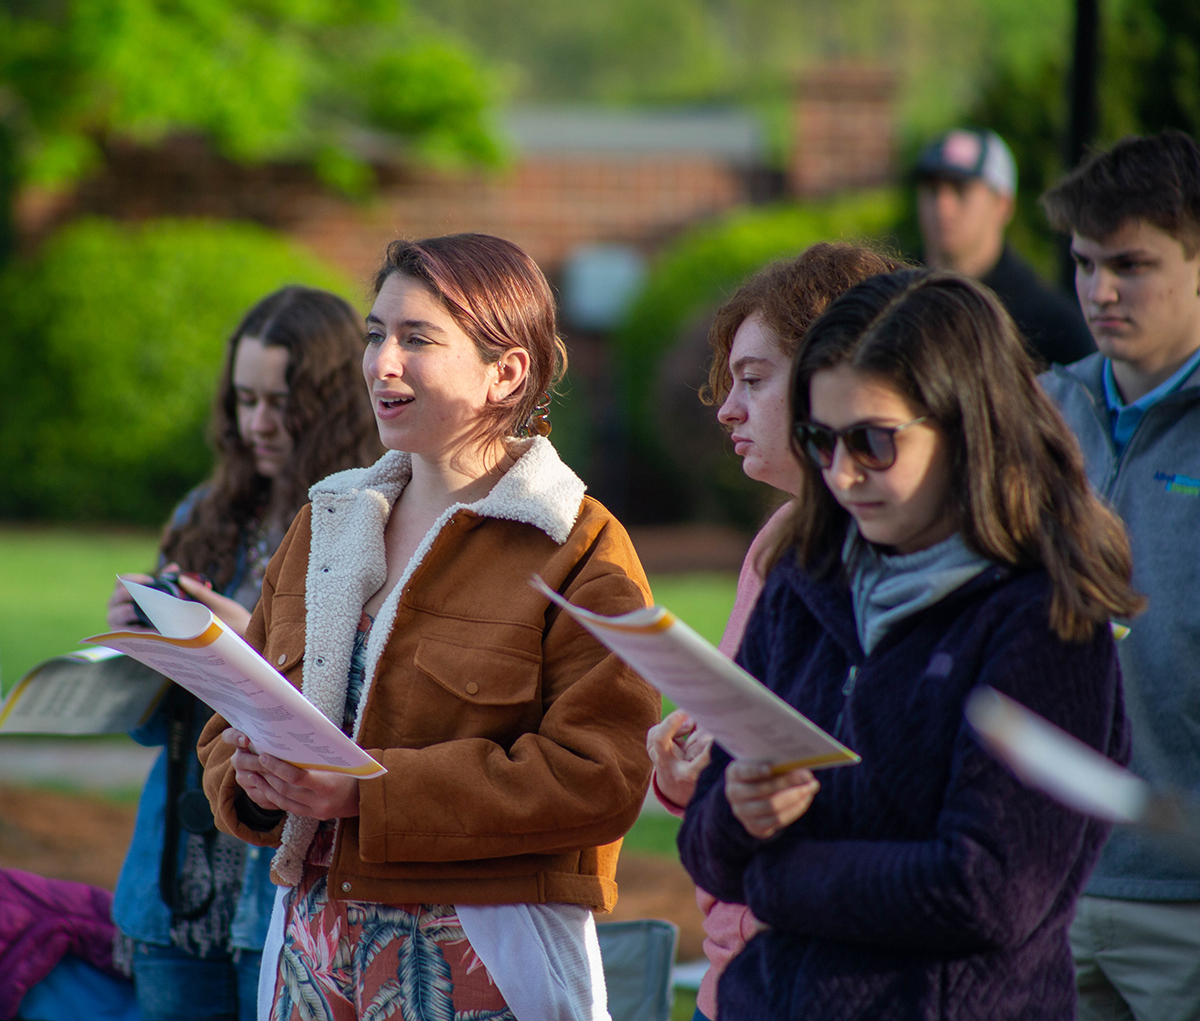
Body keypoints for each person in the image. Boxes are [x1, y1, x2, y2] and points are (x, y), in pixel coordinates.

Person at [197, 232, 660, 1021]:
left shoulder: (579, 544)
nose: (382, 363)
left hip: (484, 955)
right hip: (309, 944)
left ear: (506, 371)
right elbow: (227, 720)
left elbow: (602, 775)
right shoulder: (327, 519)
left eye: (417, 339)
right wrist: (253, 775)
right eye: (376, 334)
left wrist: (367, 793)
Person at [678, 268, 1143, 1020]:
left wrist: (776, 877)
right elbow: (705, 843)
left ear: (966, 427)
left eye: (873, 440)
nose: (843, 471)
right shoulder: (801, 577)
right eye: (819, 440)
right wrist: (738, 814)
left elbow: (986, 890)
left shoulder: (1045, 620)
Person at [105, 286, 382, 1021]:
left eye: (280, 402)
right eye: (242, 400)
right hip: (175, 881)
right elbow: (150, 729)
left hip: (280, 887)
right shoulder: (205, 512)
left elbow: (362, 709)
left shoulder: (364, 519)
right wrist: (142, 643)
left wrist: (246, 644)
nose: (256, 423)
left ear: (329, 402)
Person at [645, 241, 905, 1021]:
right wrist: (685, 763)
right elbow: (734, 738)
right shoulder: (777, 541)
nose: (725, 407)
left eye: (753, 380)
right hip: (741, 970)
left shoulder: (910, 556)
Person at [1040, 129, 1200, 1021]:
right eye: (1084, 262)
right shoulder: (1037, 411)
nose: (1100, 290)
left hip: (1187, 899)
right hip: (1045, 878)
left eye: (1131, 265)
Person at [916, 127, 1095, 366]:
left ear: (1002, 204)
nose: (942, 207)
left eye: (961, 190)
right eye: (932, 190)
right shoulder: (892, 298)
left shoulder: (1051, 326)